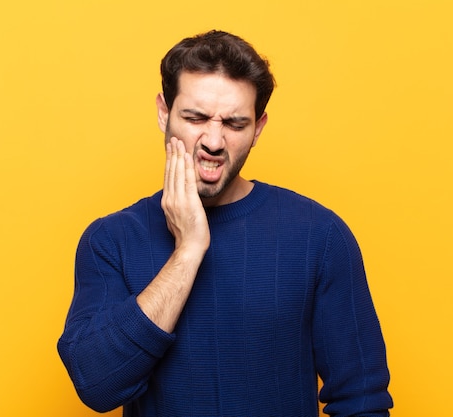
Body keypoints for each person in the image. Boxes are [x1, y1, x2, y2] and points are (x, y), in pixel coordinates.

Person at [58, 30, 393, 416]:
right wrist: (188, 250)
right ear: (164, 113)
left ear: (258, 129)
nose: (214, 141)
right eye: (195, 117)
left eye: (234, 123)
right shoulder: (110, 240)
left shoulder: (319, 236)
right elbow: (98, 385)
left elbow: (362, 399)